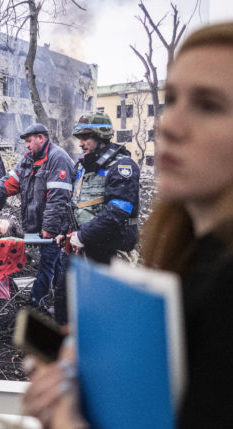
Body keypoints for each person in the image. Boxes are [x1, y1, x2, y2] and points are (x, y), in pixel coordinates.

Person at [22, 22, 233, 429]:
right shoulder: (209, 257)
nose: (169, 125)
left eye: (208, 105)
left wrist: (67, 415)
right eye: (173, 100)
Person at [51, 111, 140, 323]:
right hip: (79, 248)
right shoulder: (81, 167)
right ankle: (67, 349)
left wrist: (82, 236)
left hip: (108, 251)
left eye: (85, 138)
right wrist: (65, 231)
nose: (80, 144)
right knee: (63, 301)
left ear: (101, 136)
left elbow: (118, 212)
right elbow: (74, 203)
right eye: (79, 138)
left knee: (104, 313)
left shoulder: (122, 167)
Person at [0, 123, 75, 307]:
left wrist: (49, 227)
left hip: (57, 224)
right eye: (25, 142)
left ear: (41, 137)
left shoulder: (58, 158)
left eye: (30, 141)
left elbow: (58, 199)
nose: (27, 145)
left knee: (47, 262)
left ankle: (35, 302)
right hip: (40, 223)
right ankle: (59, 297)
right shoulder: (28, 160)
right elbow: (10, 181)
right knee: (53, 261)